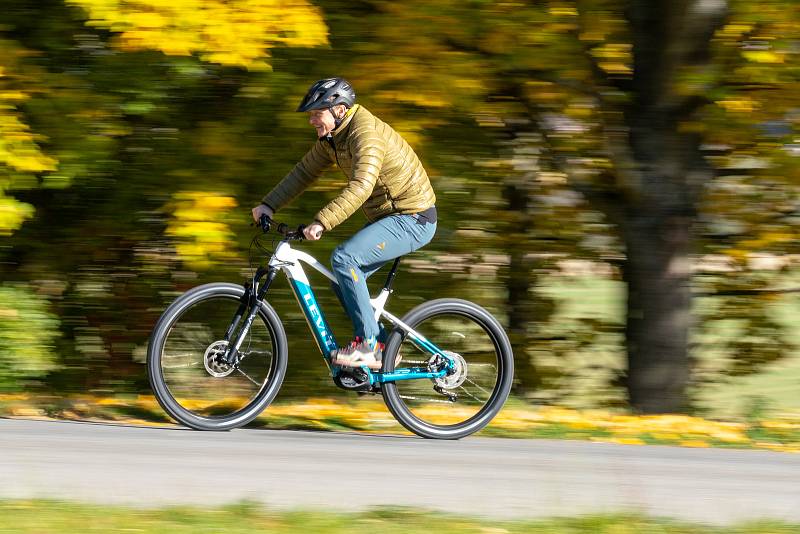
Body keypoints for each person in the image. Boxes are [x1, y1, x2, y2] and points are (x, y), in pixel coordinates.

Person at [251, 77, 437, 370]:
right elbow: (304, 172)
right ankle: (383, 353)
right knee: (342, 278)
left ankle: (371, 347)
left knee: (344, 258)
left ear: (339, 109)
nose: (312, 120)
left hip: (413, 217)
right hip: (390, 217)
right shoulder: (333, 139)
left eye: (316, 113)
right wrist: (269, 204)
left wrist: (322, 221)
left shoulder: (365, 135)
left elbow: (362, 185)